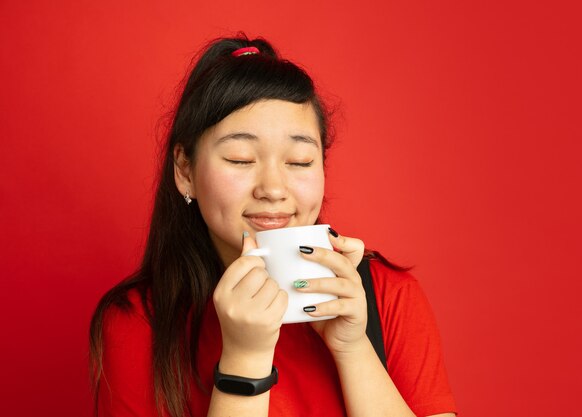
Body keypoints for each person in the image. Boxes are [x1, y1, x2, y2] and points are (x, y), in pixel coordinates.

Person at [89, 35, 457, 417]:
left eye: (299, 161)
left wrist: (353, 348)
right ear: (184, 170)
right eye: (240, 158)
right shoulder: (138, 323)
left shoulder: (387, 297)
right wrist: (245, 359)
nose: (274, 189)